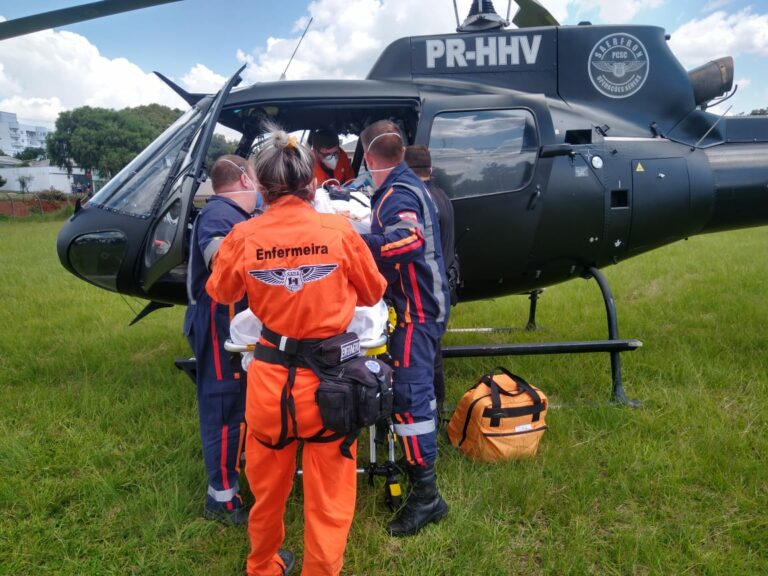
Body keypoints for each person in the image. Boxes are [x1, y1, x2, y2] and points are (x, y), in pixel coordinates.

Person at [206, 126, 386, 576]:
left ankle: (264, 565)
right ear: (311, 184)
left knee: (267, 492)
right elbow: (372, 292)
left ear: (261, 187)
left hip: (269, 388)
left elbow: (221, 289)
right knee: (329, 496)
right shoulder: (339, 230)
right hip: (330, 389)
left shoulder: (244, 235)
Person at [360, 121, 451, 537]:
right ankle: (423, 468)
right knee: (420, 395)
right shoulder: (404, 184)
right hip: (420, 307)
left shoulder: (396, 194)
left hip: (417, 312)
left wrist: (354, 242)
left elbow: (408, 240)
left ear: (368, 158)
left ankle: (427, 497)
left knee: (411, 400)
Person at [183, 154, 263, 526]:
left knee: (238, 407)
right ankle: (222, 499)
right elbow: (222, 260)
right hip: (218, 324)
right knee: (224, 409)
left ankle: (238, 479)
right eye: (257, 177)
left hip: (231, 322)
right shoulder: (218, 216)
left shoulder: (236, 216)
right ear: (245, 180)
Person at [404, 144, 460, 420]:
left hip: (428, 291)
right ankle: (439, 410)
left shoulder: (420, 201)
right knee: (435, 355)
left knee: (427, 360)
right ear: (430, 169)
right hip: (445, 285)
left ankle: (433, 416)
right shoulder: (442, 196)